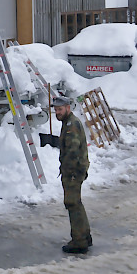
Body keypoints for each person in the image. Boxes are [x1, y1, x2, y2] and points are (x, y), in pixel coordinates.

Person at [51, 95, 92, 254]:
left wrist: (69, 173)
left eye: (60, 109)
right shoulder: (68, 123)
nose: (58, 113)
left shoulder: (71, 125)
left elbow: (73, 152)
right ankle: (85, 236)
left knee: (72, 203)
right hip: (75, 170)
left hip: (73, 171)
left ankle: (79, 241)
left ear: (68, 108)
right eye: (56, 110)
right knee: (76, 203)